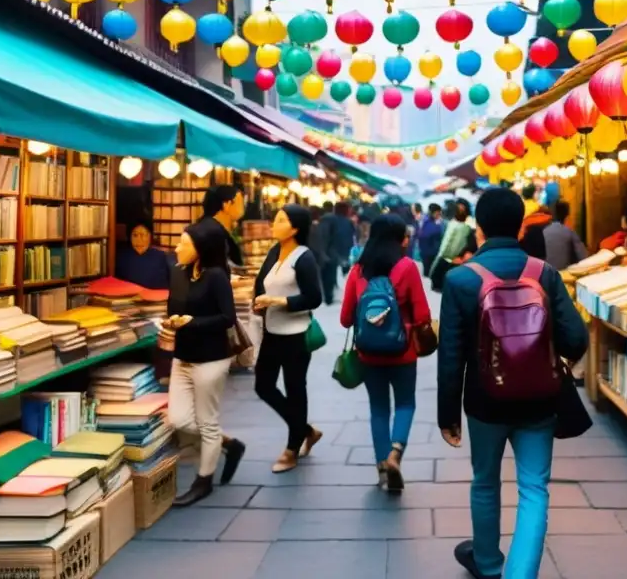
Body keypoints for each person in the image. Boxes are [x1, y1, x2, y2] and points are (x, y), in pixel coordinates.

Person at [438, 188, 588, 579]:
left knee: (485, 481)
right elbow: (576, 339)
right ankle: (520, 574)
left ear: (479, 227)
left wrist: (447, 415)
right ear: (521, 227)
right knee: (534, 488)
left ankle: (488, 563)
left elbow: (451, 355)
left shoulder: (460, 279)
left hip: (484, 401)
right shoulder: (544, 273)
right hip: (540, 400)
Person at [340, 214, 431, 492]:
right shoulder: (407, 267)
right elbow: (423, 315)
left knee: (378, 409)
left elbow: (345, 319)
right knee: (405, 404)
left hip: (368, 354)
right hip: (402, 353)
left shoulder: (358, 270)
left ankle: (381, 469)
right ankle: (395, 453)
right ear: (398, 239)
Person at [167, 219, 246, 506]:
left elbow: (228, 318)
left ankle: (204, 481)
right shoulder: (179, 273)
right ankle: (229, 444)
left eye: (183, 243)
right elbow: (173, 308)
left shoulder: (216, 277)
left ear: (200, 249)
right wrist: (173, 322)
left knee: (206, 421)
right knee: (179, 420)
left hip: (211, 359)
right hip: (182, 356)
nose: (176, 247)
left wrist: (192, 322)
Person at [253, 205, 325, 473]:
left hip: (295, 336)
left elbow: (314, 297)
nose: (274, 223)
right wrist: (258, 302)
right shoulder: (274, 252)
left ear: (294, 228)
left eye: (280, 220)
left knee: (295, 390)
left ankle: (292, 448)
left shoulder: (303, 257)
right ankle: (306, 429)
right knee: (263, 386)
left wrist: (279, 301)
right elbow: (262, 284)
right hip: (271, 332)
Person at [115, 220, 171, 289]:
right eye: (135, 235)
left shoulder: (160, 257)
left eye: (143, 235)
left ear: (150, 236)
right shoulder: (122, 257)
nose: (139, 240)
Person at [201, 184, 246, 266]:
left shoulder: (222, 231)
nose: (243, 207)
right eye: (240, 202)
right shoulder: (211, 233)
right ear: (226, 205)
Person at [542, 201, 589, 271]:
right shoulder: (569, 232)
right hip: (563, 275)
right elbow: (584, 258)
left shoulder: (543, 232)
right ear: (567, 217)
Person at [417, 204, 444, 276]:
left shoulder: (424, 221)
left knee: (427, 271)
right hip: (430, 252)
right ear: (434, 213)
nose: (439, 215)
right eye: (438, 213)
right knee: (429, 272)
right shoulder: (434, 225)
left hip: (424, 251)